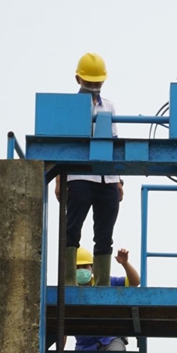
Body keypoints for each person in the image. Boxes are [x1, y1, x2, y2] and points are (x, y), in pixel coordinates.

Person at [54, 52, 124, 286]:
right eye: (89, 82)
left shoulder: (110, 106)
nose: (94, 87)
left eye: (98, 82)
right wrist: (58, 180)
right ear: (78, 80)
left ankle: (102, 283)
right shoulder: (69, 108)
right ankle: (69, 280)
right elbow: (62, 145)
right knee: (72, 227)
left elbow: (114, 144)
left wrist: (119, 180)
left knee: (105, 233)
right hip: (79, 177)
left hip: (107, 178)